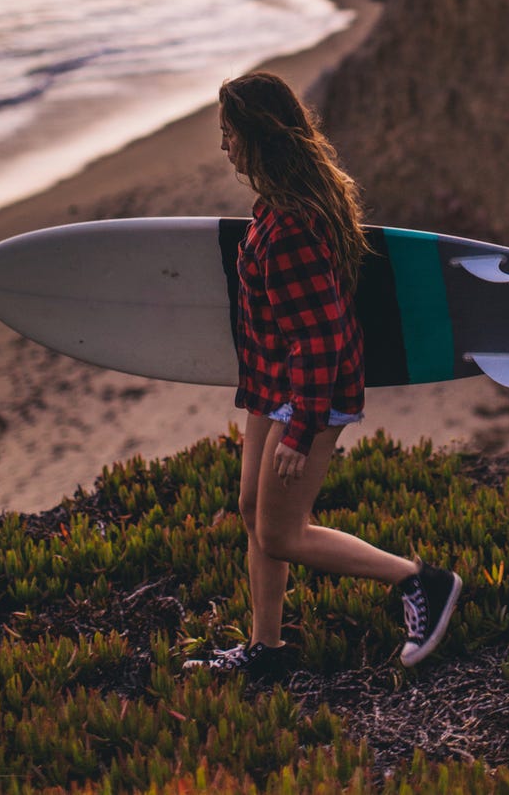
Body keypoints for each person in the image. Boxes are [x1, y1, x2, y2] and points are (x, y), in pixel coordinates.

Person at [187, 70, 462, 682]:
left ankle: (421, 581)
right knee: (254, 511)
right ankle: (267, 649)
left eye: (229, 133)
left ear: (255, 137)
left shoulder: (288, 228)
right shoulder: (284, 205)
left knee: (283, 534)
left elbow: (325, 338)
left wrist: (300, 430)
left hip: (303, 395)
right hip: (270, 386)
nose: (222, 146)